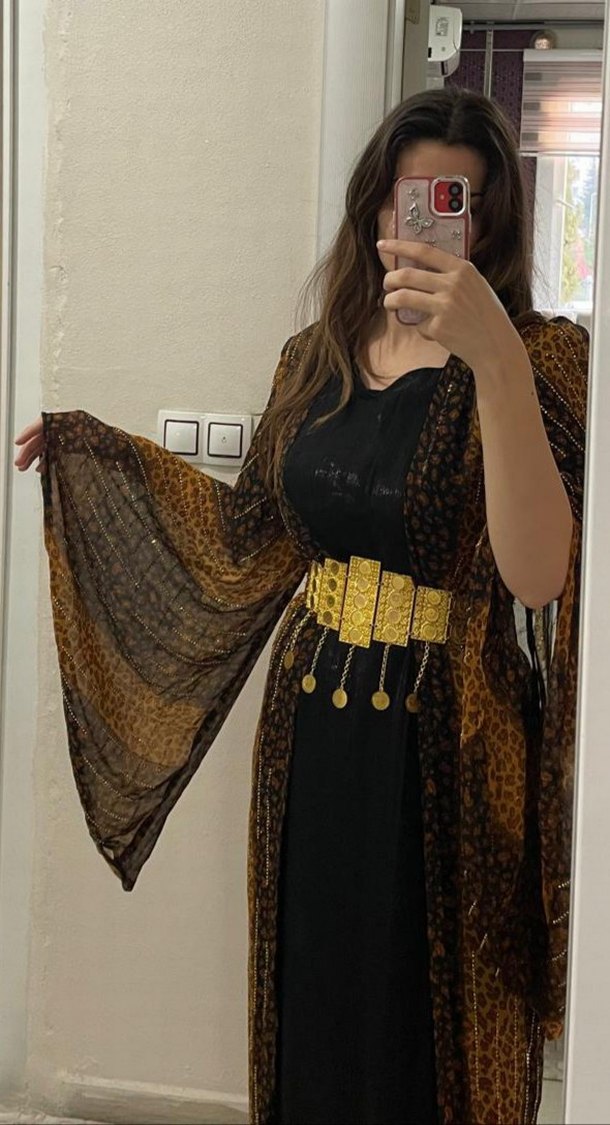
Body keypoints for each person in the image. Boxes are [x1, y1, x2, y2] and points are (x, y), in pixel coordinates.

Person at [13, 87, 588, 1125]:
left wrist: (493, 357)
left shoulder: (539, 356)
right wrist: (102, 456)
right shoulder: (314, 358)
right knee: (313, 996)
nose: (429, 223)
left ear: (492, 222)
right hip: (312, 730)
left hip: (452, 741)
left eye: (456, 202)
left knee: (424, 1030)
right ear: (374, 211)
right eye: (409, 199)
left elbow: (538, 573)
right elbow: (246, 535)